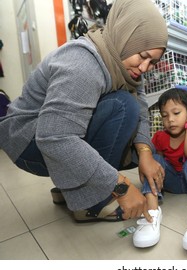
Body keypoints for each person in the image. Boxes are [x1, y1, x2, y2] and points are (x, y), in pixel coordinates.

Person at [0, 0, 168, 223]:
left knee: (132, 115)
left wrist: (145, 152)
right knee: (122, 106)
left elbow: (142, 107)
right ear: (127, 35)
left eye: (153, 62)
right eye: (143, 56)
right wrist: (121, 186)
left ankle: (71, 187)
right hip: (28, 142)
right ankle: (91, 203)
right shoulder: (84, 61)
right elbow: (54, 137)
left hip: (48, 134)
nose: (145, 67)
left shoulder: (123, 64)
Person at [133, 88, 187, 251]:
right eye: (165, 115)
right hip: (168, 183)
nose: (170, 119)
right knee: (153, 158)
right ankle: (151, 211)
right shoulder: (160, 137)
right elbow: (150, 170)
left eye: (176, 113)